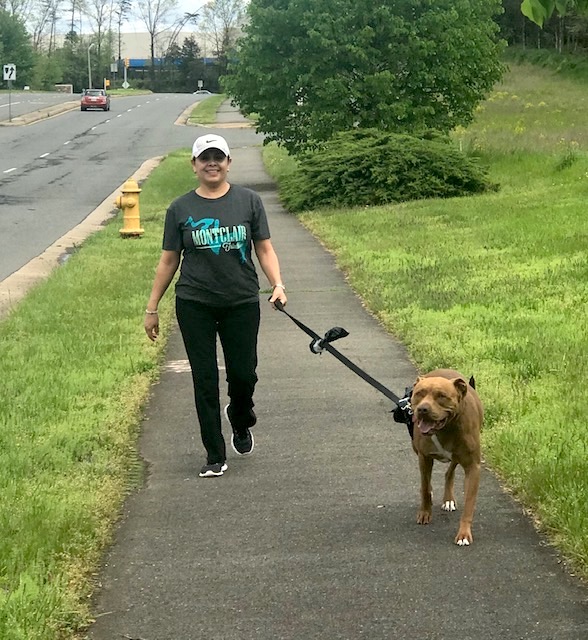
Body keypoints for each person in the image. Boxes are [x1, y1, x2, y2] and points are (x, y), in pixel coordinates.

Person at [144, 134, 287, 478]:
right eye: (204, 158)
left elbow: (264, 248)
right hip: (195, 303)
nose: (212, 163)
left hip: (240, 301)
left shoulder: (248, 201)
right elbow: (169, 260)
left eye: (217, 157)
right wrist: (152, 308)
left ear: (228, 163)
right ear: (193, 165)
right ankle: (214, 453)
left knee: (244, 374)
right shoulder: (180, 209)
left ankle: (240, 418)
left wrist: (278, 284)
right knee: (204, 379)